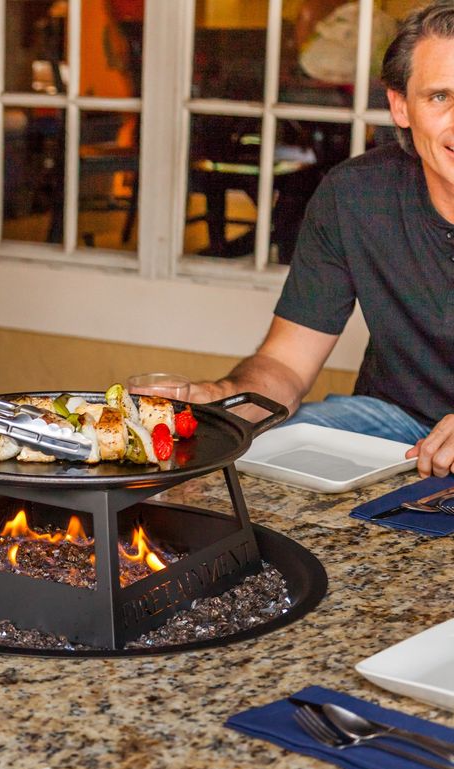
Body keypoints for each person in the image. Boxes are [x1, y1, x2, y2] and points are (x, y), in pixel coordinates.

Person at [189, 0, 454, 479]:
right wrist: (224, 403)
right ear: (400, 106)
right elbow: (286, 364)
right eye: (440, 97)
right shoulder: (354, 196)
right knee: (253, 447)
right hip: (396, 423)